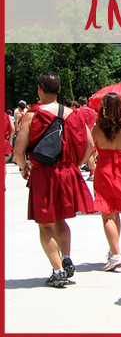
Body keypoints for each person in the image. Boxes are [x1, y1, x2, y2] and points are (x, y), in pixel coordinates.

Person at [12, 70, 94, 287]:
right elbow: (90, 144)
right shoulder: (73, 114)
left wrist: (23, 169)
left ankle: (58, 271)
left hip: (44, 174)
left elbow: (18, 151)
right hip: (67, 173)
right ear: (59, 89)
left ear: (40, 89)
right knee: (61, 219)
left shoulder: (33, 114)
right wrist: (76, 164)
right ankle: (66, 257)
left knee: (45, 225)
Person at [81, 92, 121, 270]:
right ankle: (114, 249)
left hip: (105, 168)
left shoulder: (98, 128)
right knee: (115, 211)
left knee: (107, 213)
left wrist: (77, 164)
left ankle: (116, 254)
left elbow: (88, 150)